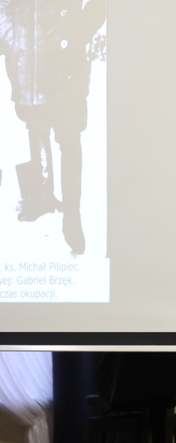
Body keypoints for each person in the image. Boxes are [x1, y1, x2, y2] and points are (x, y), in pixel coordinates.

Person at [0, 0, 107, 255]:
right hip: (28, 63)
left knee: (69, 139)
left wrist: (77, 33)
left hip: (65, 63)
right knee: (35, 128)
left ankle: (72, 216)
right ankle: (41, 196)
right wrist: (11, 38)